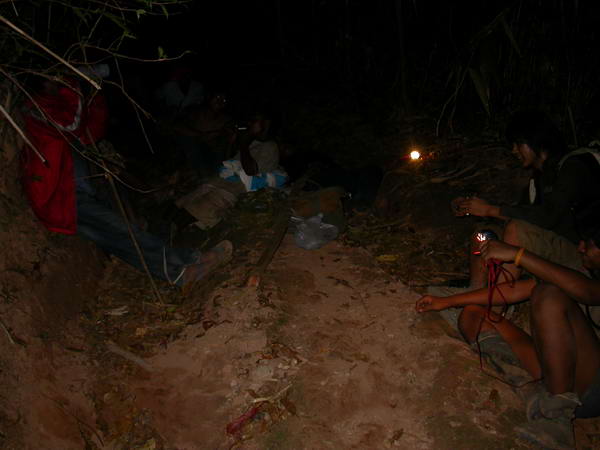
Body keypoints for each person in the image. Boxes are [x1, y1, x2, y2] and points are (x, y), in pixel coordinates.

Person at [21, 75, 230, 289]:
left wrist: (93, 96)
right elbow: (71, 124)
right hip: (63, 197)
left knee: (117, 239)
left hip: (71, 193)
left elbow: (91, 131)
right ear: (41, 82)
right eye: (55, 79)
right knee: (124, 232)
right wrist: (73, 87)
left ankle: (183, 269)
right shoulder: (38, 107)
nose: (59, 82)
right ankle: (182, 267)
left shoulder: (55, 105)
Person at [415, 227, 600, 449]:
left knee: (548, 295)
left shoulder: (588, 284)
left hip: (589, 385)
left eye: (590, 244)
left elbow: (588, 292)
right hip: (555, 365)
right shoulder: (581, 269)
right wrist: (447, 302)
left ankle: (556, 419)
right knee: (473, 314)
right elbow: (516, 290)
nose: (581, 247)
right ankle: (523, 384)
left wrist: (518, 255)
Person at [451, 110, 600, 289]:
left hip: (582, 255)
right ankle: (475, 293)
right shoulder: (538, 179)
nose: (514, 150)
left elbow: (548, 216)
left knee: (517, 230)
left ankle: (498, 300)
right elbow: (520, 213)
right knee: (482, 236)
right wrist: (474, 208)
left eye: (518, 143)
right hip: (549, 247)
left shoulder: (573, 167)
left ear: (537, 140)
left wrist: (490, 209)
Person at [171, 109, 287, 230]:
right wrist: (231, 143)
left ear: (266, 123)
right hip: (220, 183)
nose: (249, 123)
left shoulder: (270, 147)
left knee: (193, 212)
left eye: (255, 120)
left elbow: (250, 171)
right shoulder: (253, 142)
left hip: (234, 190)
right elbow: (228, 163)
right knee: (180, 205)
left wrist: (244, 143)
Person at [171, 91, 235, 177]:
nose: (219, 102)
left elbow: (228, 141)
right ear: (209, 98)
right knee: (187, 141)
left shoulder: (226, 119)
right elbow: (177, 125)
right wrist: (199, 134)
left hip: (210, 152)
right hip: (192, 148)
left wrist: (229, 138)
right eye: (217, 97)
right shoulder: (196, 111)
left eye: (224, 100)